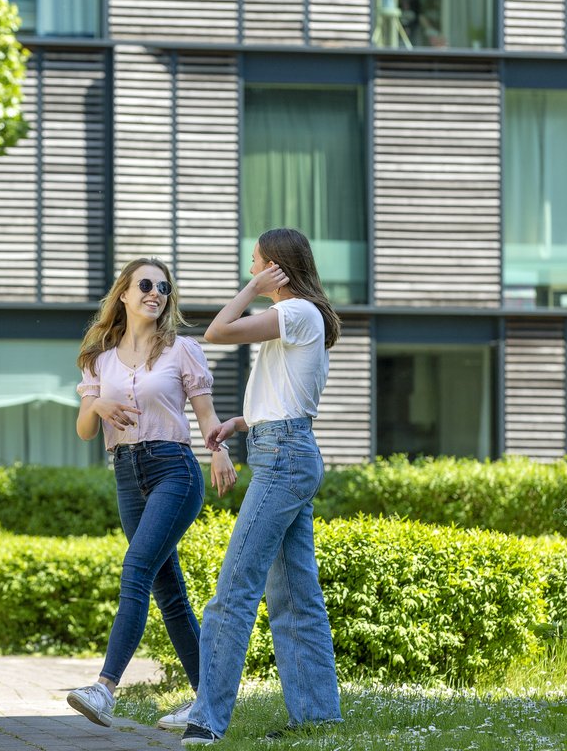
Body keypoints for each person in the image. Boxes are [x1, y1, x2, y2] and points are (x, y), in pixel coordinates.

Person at [180, 228, 343, 746]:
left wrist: (251, 291)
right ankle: (317, 717)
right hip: (283, 449)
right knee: (295, 595)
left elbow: (216, 332)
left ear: (276, 267)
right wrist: (242, 423)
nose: (250, 272)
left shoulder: (296, 313)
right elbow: (288, 393)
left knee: (234, 590)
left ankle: (207, 720)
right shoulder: (298, 321)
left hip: (285, 460)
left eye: (256, 265)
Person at [67, 257, 237, 732]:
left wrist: (218, 451)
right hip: (126, 471)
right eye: (145, 284)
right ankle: (208, 699)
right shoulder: (98, 358)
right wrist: (96, 403)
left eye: (163, 287)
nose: (155, 293)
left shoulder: (182, 350)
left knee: (137, 568)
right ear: (123, 293)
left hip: (175, 472)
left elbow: (204, 413)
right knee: (169, 592)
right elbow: (84, 430)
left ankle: (104, 688)